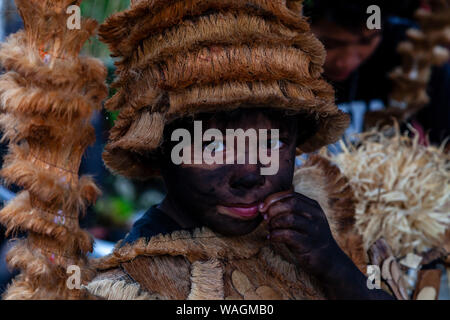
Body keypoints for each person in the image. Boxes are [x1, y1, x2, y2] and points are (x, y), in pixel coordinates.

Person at [86, 0, 393, 300]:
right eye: (213, 146)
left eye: (271, 144)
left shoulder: (309, 239)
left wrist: (334, 266)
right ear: (157, 150)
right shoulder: (135, 279)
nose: (251, 173)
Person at [306, 0, 449, 144]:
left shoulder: (412, 55)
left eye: (366, 42)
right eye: (329, 45)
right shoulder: (286, 61)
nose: (347, 61)